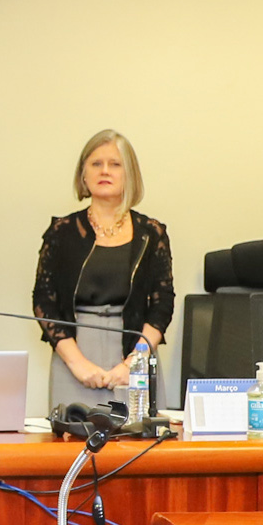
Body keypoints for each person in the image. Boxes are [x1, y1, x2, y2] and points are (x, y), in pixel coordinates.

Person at [32, 129, 174, 406]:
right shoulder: (62, 232)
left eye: (115, 164)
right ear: (83, 174)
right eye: (96, 164)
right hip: (74, 356)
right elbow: (43, 301)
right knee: (71, 446)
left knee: (140, 445)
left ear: (129, 173)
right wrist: (78, 365)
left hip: (136, 354)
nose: (104, 171)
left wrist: (134, 362)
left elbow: (163, 304)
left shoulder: (151, 233)